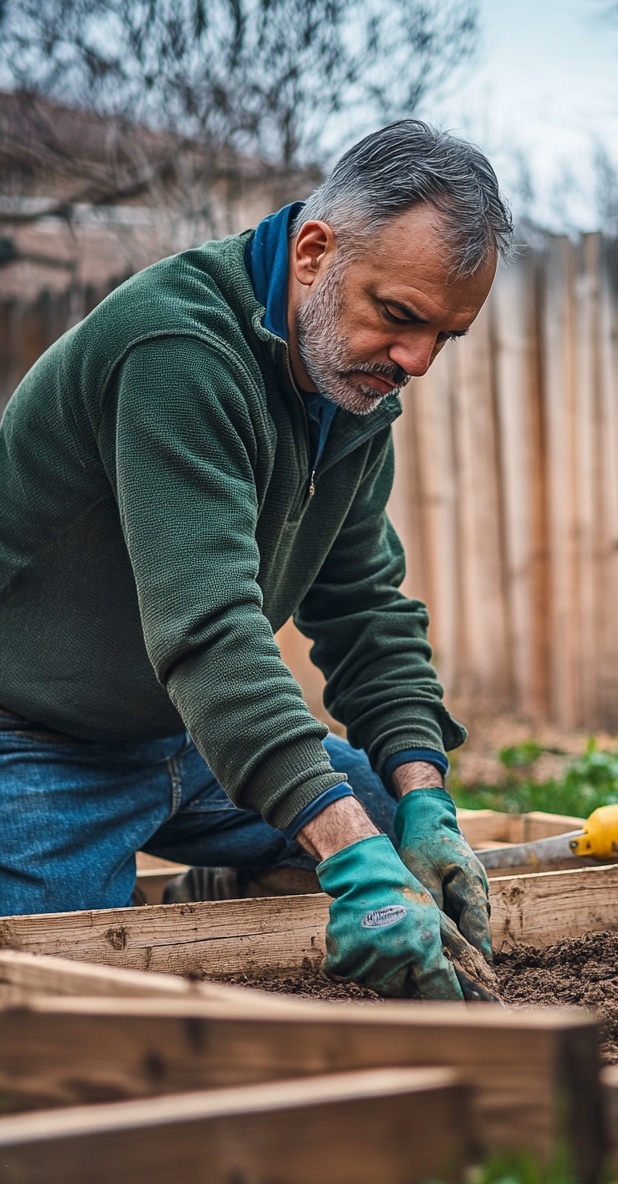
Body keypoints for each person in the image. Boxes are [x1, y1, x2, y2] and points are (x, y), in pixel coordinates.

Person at [0, 119, 514, 999]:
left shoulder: (347, 388)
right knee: (64, 1001)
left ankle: (224, 892)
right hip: (37, 743)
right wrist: (347, 856)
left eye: (444, 337)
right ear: (314, 252)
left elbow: (363, 610)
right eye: (400, 318)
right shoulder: (177, 352)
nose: (418, 361)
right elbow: (209, 632)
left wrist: (423, 791)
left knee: (398, 836)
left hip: (188, 735)